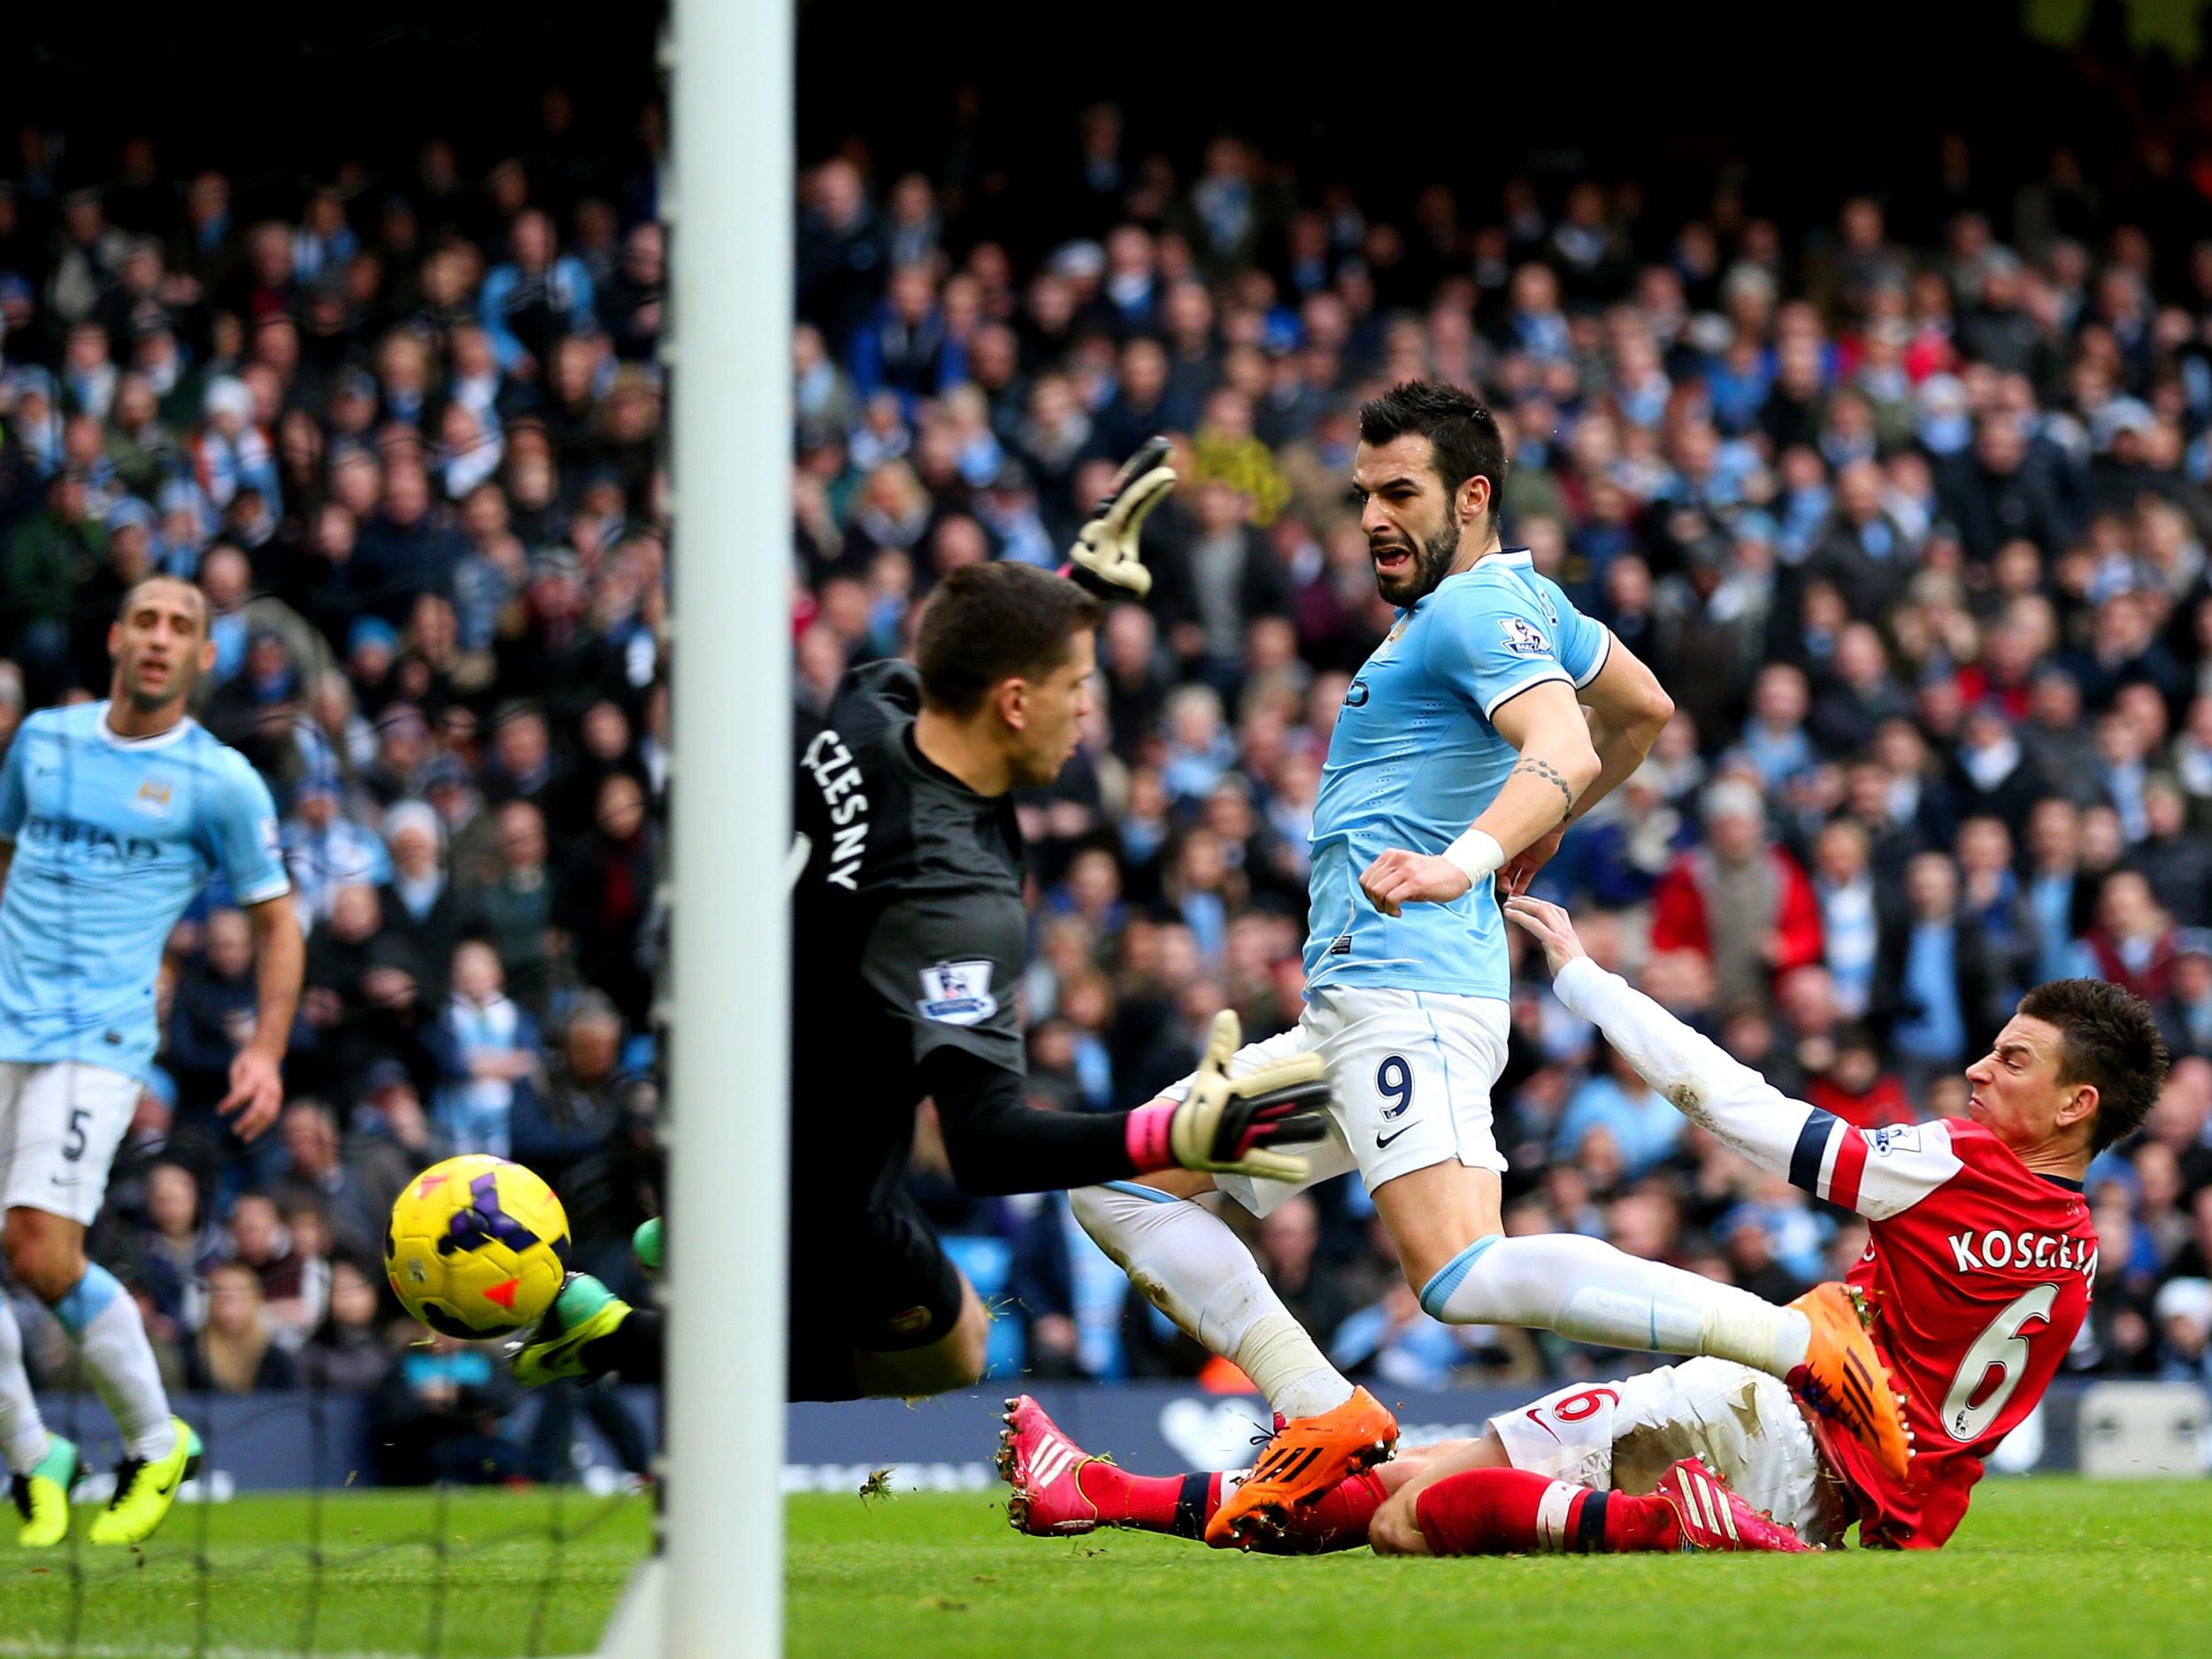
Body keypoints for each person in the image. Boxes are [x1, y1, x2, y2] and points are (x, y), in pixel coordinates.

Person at [1064, 382, 1901, 1547]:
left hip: (1410, 990)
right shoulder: (1518, 603)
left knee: (1458, 1267)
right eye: (1362, 495)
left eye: (1400, 492)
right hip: (1355, 1009)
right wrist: (1543, 820)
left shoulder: (1473, 613)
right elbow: (1642, 708)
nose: (1372, 518)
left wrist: (1471, 856)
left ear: (1473, 495)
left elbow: (1564, 738)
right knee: (1121, 1181)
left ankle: (1795, 1341)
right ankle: (1324, 1410)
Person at [511, 445, 1335, 1403]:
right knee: (952, 1354)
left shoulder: (870, 706)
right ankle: (614, 1334)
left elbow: (959, 659)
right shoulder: (954, 901)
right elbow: (985, 1144)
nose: (1087, 713)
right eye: (1077, 686)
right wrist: (1167, 1134)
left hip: (715, 1085)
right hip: (816, 1184)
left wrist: (1073, 588)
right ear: (1016, 703)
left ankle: (706, 1228)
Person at [999, 893, 2165, 1556]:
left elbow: (1746, 1114)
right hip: (1859, 1484)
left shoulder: (1963, 1166)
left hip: (1775, 1408)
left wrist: (1589, 981)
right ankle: (1095, 1489)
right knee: (1401, 1476)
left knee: (1418, 1514)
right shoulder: (2075, 1244)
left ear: (2077, 1102)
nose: (1974, 1068)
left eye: (2011, 1059)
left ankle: (1674, 1527)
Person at [0, 575, 301, 1548]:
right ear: (117, 639)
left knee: (40, 1250)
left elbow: (277, 925)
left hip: (100, 1041)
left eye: (182, 627)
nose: (162, 640)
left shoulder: (219, 782)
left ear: (204, 656)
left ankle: (153, 1437)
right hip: (5, 1019)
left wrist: (262, 1047)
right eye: (147, 622)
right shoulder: (43, 740)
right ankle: (34, 1454)